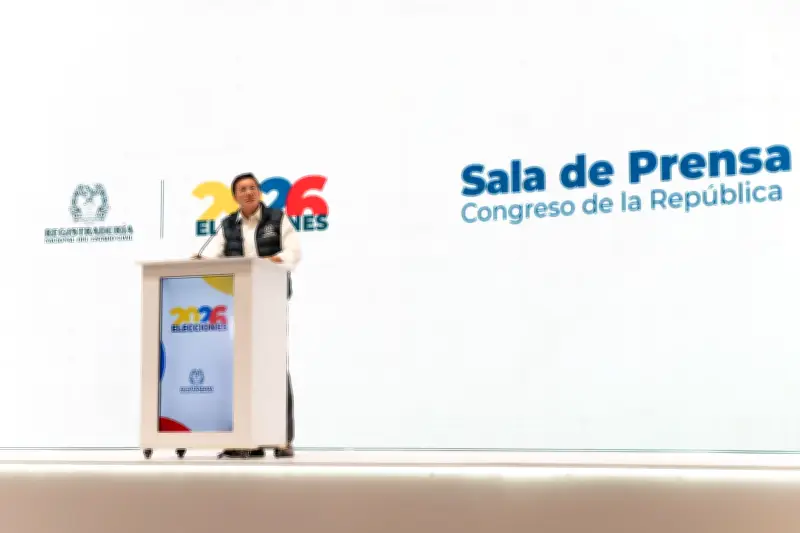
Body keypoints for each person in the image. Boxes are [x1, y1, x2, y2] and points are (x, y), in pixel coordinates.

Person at [197, 172, 301, 459]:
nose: (249, 192)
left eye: (253, 188)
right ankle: (245, 440)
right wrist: (200, 262)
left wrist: (265, 262)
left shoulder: (277, 219)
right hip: (237, 302)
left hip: (271, 300)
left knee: (274, 366)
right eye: (242, 189)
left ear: (259, 192)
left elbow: (292, 253)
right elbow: (214, 256)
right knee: (239, 369)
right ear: (235, 196)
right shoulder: (227, 224)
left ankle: (282, 439)